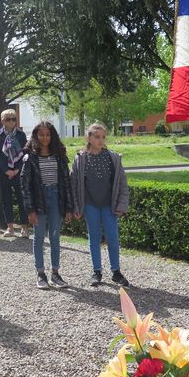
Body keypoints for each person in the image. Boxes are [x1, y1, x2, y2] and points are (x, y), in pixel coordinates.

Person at [70, 123, 130, 287]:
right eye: (97, 137)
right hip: (90, 205)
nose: (100, 140)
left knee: (113, 238)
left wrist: (121, 205)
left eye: (103, 137)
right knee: (94, 238)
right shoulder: (80, 158)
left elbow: (122, 184)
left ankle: (116, 272)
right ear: (89, 138)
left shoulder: (113, 157)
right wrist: (76, 207)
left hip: (109, 206)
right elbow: (73, 185)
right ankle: (97, 271)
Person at [20, 121, 74, 290]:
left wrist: (68, 207)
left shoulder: (59, 156)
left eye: (48, 134)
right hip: (39, 201)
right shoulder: (30, 157)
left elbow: (66, 182)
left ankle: (55, 273)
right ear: (36, 136)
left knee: (55, 236)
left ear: (53, 136)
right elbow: (25, 185)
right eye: (41, 134)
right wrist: (30, 210)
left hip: (56, 198)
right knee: (38, 237)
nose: (45, 138)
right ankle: (40, 273)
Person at [0, 109, 29, 237]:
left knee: (22, 200)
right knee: (6, 200)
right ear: (2, 120)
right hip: (4, 173)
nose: (12, 121)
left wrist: (17, 168)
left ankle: (24, 228)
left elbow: (25, 153)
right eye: (8, 119)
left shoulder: (21, 134)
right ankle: (10, 228)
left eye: (14, 118)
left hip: (19, 172)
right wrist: (6, 170)